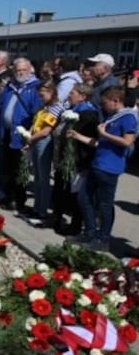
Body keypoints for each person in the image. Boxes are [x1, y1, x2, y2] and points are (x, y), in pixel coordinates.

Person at [69, 86, 137, 252]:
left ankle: (103, 239)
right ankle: (90, 233)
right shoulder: (112, 117)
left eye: (105, 103)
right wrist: (79, 136)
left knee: (104, 205)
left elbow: (127, 141)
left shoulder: (127, 117)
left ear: (116, 101)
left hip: (109, 168)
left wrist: (105, 134)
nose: (103, 107)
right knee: (84, 198)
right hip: (98, 163)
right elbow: (100, 143)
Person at [0, 58, 42, 212]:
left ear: (30, 71)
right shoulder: (10, 86)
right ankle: (7, 196)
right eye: (17, 70)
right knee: (7, 167)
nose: (20, 73)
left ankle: (18, 199)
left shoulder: (35, 88)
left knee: (20, 169)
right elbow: (2, 104)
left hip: (22, 134)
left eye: (24, 70)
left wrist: (31, 134)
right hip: (7, 132)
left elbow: (37, 112)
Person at [52, 82, 98, 236]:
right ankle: (57, 217)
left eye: (73, 93)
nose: (69, 95)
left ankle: (75, 226)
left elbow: (85, 139)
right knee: (61, 189)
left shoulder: (88, 114)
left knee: (75, 194)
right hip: (63, 159)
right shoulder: (71, 110)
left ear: (82, 97)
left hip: (77, 160)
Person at [23, 80, 61, 226]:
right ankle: (36, 208)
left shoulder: (56, 108)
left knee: (43, 179)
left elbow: (47, 130)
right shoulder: (44, 107)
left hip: (44, 141)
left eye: (42, 95)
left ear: (51, 93)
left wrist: (30, 139)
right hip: (36, 140)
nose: (40, 98)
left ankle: (42, 211)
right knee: (38, 176)